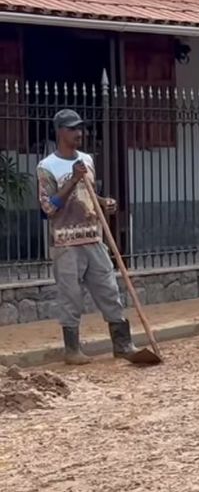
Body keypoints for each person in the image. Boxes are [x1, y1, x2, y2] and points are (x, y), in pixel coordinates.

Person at [35, 109, 137, 365]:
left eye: (81, 128)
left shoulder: (87, 160)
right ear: (60, 132)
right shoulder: (46, 167)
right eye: (73, 129)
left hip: (94, 238)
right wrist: (72, 179)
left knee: (109, 291)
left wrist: (105, 203)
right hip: (66, 243)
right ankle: (72, 350)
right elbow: (48, 208)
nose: (80, 133)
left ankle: (123, 344)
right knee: (71, 297)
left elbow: (88, 194)